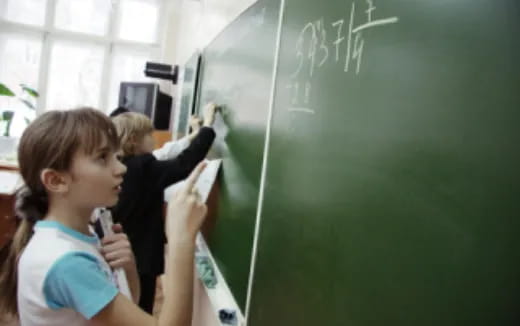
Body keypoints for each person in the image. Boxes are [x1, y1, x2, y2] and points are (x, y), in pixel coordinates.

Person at [0, 108, 209, 326]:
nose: (121, 168)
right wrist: (181, 240)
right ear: (56, 181)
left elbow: (128, 304)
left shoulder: (85, 233)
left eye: (116, 156)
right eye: (102, 158)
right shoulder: (66, 262)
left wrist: (128, 268)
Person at [110, 103, 216, 313]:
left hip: (128, 253)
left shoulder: (125, 166)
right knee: (142, 309)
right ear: (134, 140)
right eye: (150, 134)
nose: (154, 137)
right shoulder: (141, 167)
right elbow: (183, 165)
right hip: (140, 256)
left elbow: (167, 155)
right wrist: (209, 126)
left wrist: (195, 134)